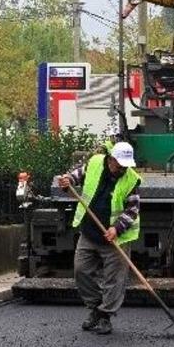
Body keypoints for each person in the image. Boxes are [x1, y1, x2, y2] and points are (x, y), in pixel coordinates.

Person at [58, 142, 141, 335]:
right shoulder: (95, 163)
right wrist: (67, 180)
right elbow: (75, 177)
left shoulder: (131, 180)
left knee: (114, 280)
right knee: (81, 271)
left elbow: (132, 210)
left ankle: (105, 317)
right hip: (89, 232)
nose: (122, 169)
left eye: (125, 166)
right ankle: (95, 308)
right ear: (111, 159)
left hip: (115, 239)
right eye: (119, 165)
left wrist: (116, 228)